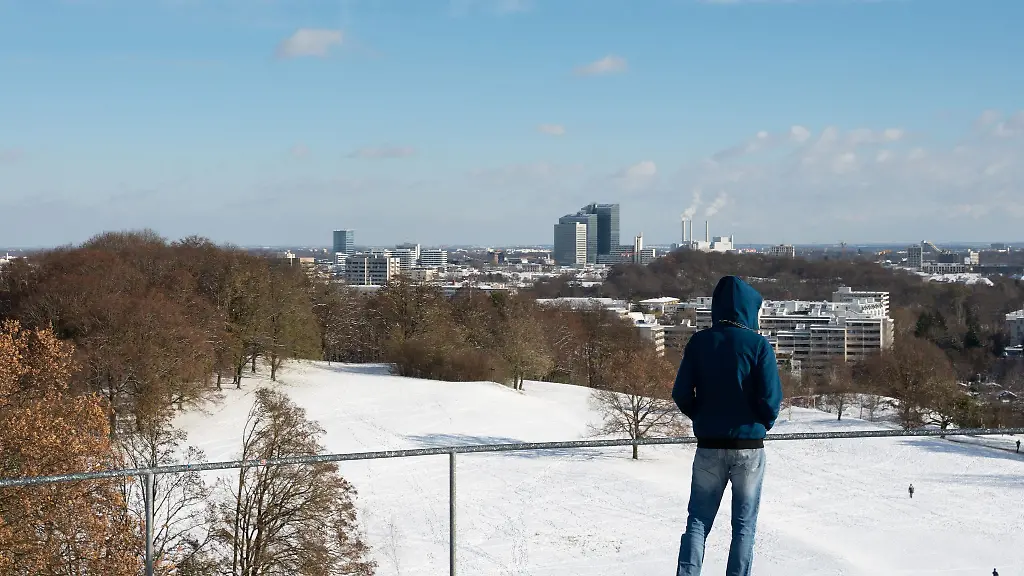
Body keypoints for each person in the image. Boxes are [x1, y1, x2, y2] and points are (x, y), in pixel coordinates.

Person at [672, 275, 783, 576]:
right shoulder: (758, 345)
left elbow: (681, 393)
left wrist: (701, 416)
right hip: (748, 446)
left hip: (709, 446)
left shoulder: (699, 342)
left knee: (697, 521)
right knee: (744, 526)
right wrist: (762, 423)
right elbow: (771, 399)